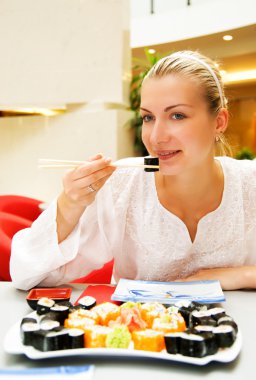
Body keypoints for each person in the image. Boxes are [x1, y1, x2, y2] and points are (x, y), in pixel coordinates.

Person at [10, 50, 256, 291]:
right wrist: (70, 203)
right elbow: (26, 276)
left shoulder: (250, 182)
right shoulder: (121, 185)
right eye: (148, 118)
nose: (156, 137)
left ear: (219, 121)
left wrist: (234, 276)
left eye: (177, 115)